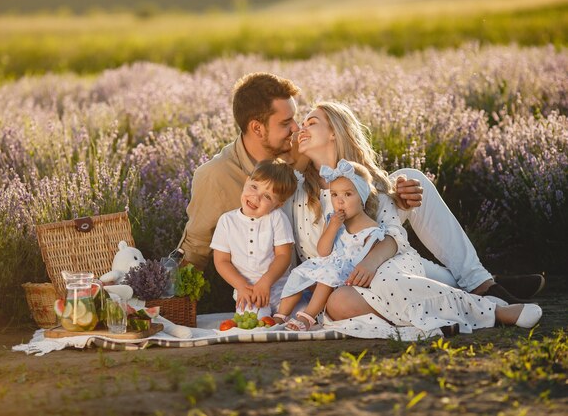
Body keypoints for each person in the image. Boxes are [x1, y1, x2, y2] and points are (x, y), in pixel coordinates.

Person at [177, 72, 543, 310]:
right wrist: (175, 297)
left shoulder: (296, 153)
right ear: (257, 128)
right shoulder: (219, 176)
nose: (296, 129)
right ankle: (484, 293)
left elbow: (341, 170)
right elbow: (193, 248)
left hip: (360, 235)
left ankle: (481, 283)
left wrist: (388, 190)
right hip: (321, 267)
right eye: (287, 123)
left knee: (408, 178)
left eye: (300, 121)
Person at [288, 101, 542, 334]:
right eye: (302, 125)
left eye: (311, 122)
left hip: (386, 268)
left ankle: (487, 301)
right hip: (344, 284)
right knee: (342, 301)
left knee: (410, 179)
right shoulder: (296, 189)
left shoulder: (366, 181)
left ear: (335, 132)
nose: (302, 129)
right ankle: (479, 292)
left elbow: (392, 233)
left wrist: (371, 262)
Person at [274, 160, 385, 330]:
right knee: (299, 272)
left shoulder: (372, 229)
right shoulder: (332, 220)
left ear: (362, 197)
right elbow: (323, 251)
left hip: (349, 275)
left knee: (328, 275)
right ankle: (280, 316)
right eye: (334, 195)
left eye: (347, 194)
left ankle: (307, 318)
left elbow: (369, 261)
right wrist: (332, 227)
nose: (340, 201)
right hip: (329, 265)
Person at [210, 159, 297, 318]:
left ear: (278, 204)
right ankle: (276, 318)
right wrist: (241, 286)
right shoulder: (227, 221)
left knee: (304, 310)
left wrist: (266, 282)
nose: (256, 198)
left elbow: (284, 256)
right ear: (246, 181)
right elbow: (221, 261)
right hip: (247, 292)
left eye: (267, 196)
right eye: (254, 187)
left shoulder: (276, 218)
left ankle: (285, 314)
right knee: (255, 319)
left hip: (279, 289)